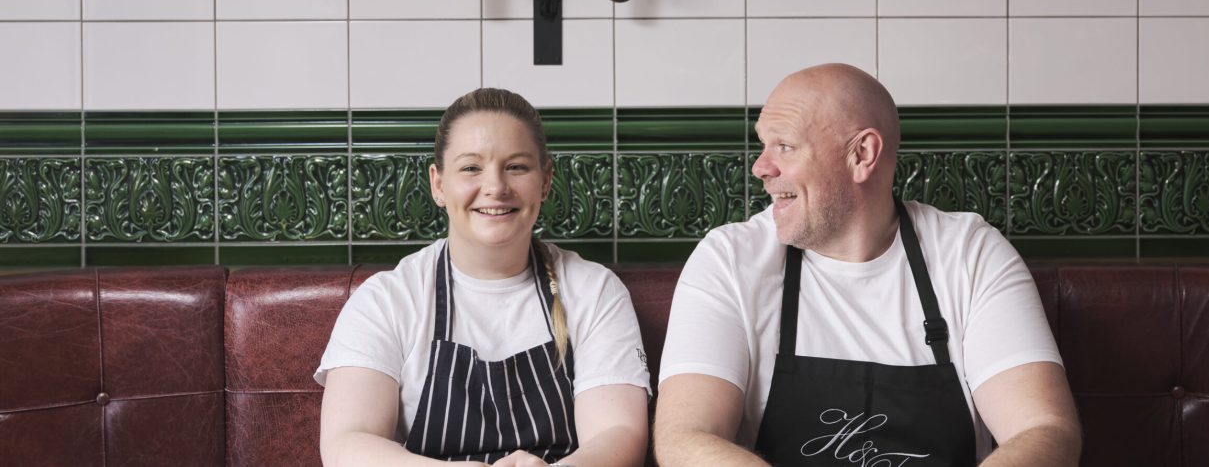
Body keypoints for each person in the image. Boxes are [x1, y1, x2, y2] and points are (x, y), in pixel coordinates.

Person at [654, 64, 1081, 467]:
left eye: (784, 145)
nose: (761, 167)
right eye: (764, 144)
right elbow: (684, 439)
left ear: (862, 154)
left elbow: (1044, 429)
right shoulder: (729, 260)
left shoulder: (969, 253)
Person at [317, 88, 650, 467]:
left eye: (517, 167)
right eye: (471, 168)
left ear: (545, 180)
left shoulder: (595, 292)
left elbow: (618, 436)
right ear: (438, 184)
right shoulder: (387, 300)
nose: (495, 187)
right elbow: (348, 444)